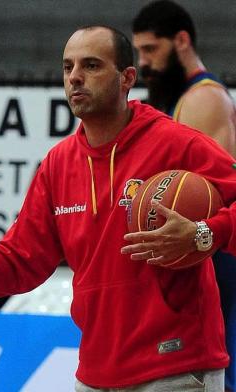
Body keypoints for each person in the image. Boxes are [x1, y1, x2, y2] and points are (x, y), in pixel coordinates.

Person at [0, 25, 236, 391]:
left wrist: (204, 234)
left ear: (127, 78)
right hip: (94, 372)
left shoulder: (174, 143)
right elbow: (19, 261)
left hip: (176, 367)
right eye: (67, 67)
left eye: (91, 66)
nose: (75, 77)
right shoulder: (57, 165)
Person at [132, 2, 236, 390]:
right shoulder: (180, 100)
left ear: (181, 41)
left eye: (151, 50)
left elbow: (206, 195)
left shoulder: (203, 99)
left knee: (217, 371)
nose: (144, 62)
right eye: (139, 52)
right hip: (202, 246)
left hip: (217, 252)